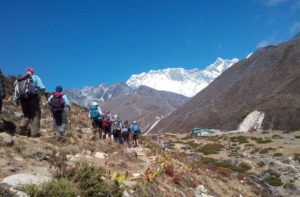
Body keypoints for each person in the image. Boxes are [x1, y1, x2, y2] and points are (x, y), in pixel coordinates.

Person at [13, 68, 46, 137]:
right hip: (32, 97)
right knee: (36, 114)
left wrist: (15, 100)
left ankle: (22, 129)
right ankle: (34, 133)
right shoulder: (35, 77)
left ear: (26, 72)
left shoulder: (19, 79)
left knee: (26, 114)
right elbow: (42, 88)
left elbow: (16, 91)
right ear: (32, 72)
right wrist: (41, 92)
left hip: (22, 99)